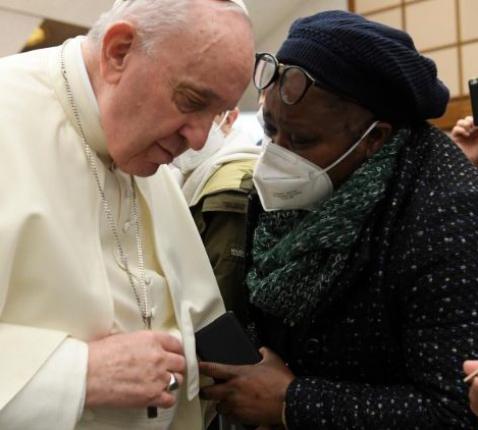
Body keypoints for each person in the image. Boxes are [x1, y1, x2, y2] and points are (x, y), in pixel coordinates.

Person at [200, 10, 478, 429]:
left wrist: (291, 402)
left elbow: (454, 409)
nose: (277, 154)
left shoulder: (445, 211)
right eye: (270, 128)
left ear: (375, 138)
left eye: (302, 140)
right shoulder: (284, 186)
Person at [0, 0, 254, 429]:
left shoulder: (145, 154)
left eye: (215, 115)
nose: (197, 140)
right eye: (192, 100)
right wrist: (75, 374)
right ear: (119, 51)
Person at [171, 108, 260, 325]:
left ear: (230, 119)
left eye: (201, 114)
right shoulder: (187, 176)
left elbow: (222, 298)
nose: (188, 131)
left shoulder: (230, 188)